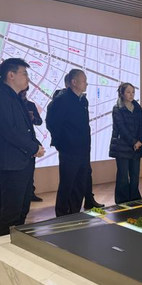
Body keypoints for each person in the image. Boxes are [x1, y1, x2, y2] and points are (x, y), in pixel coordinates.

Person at [0, 58, 45, 237]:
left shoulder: (16, 98)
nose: (28, 78)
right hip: (12, 164)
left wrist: (36, 145)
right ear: (11, 75)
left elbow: (24, 129)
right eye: (24, 73)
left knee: (21, 210)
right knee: (11, 213)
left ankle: (13, 246)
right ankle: (0, 248)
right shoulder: (1, 98)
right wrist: (33, 148)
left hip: (23, 162)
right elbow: (9, 132)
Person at [48, 69, 100, 215]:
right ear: (74, 82)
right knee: (67, 184)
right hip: (69, 150)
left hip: (83, 149)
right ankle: (62, 215)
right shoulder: (62, 100)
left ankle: (75, 213)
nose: (86, 84)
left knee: (80, 184)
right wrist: (61, 143)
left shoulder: (83, 100)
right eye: (84, 81)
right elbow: (52, 123)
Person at [109, 83, 142, 203]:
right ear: (122, 93)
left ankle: (134, 198)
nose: (131, 95)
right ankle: (122, 200)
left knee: (135, 175)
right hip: (122, 147)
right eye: (128, 92)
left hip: (137, 146)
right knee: (123, 176)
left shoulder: (138, 108)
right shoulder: (117, 108)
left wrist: (140, 141)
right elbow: (121, 128)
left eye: (133, 92)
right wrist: (133, 141)